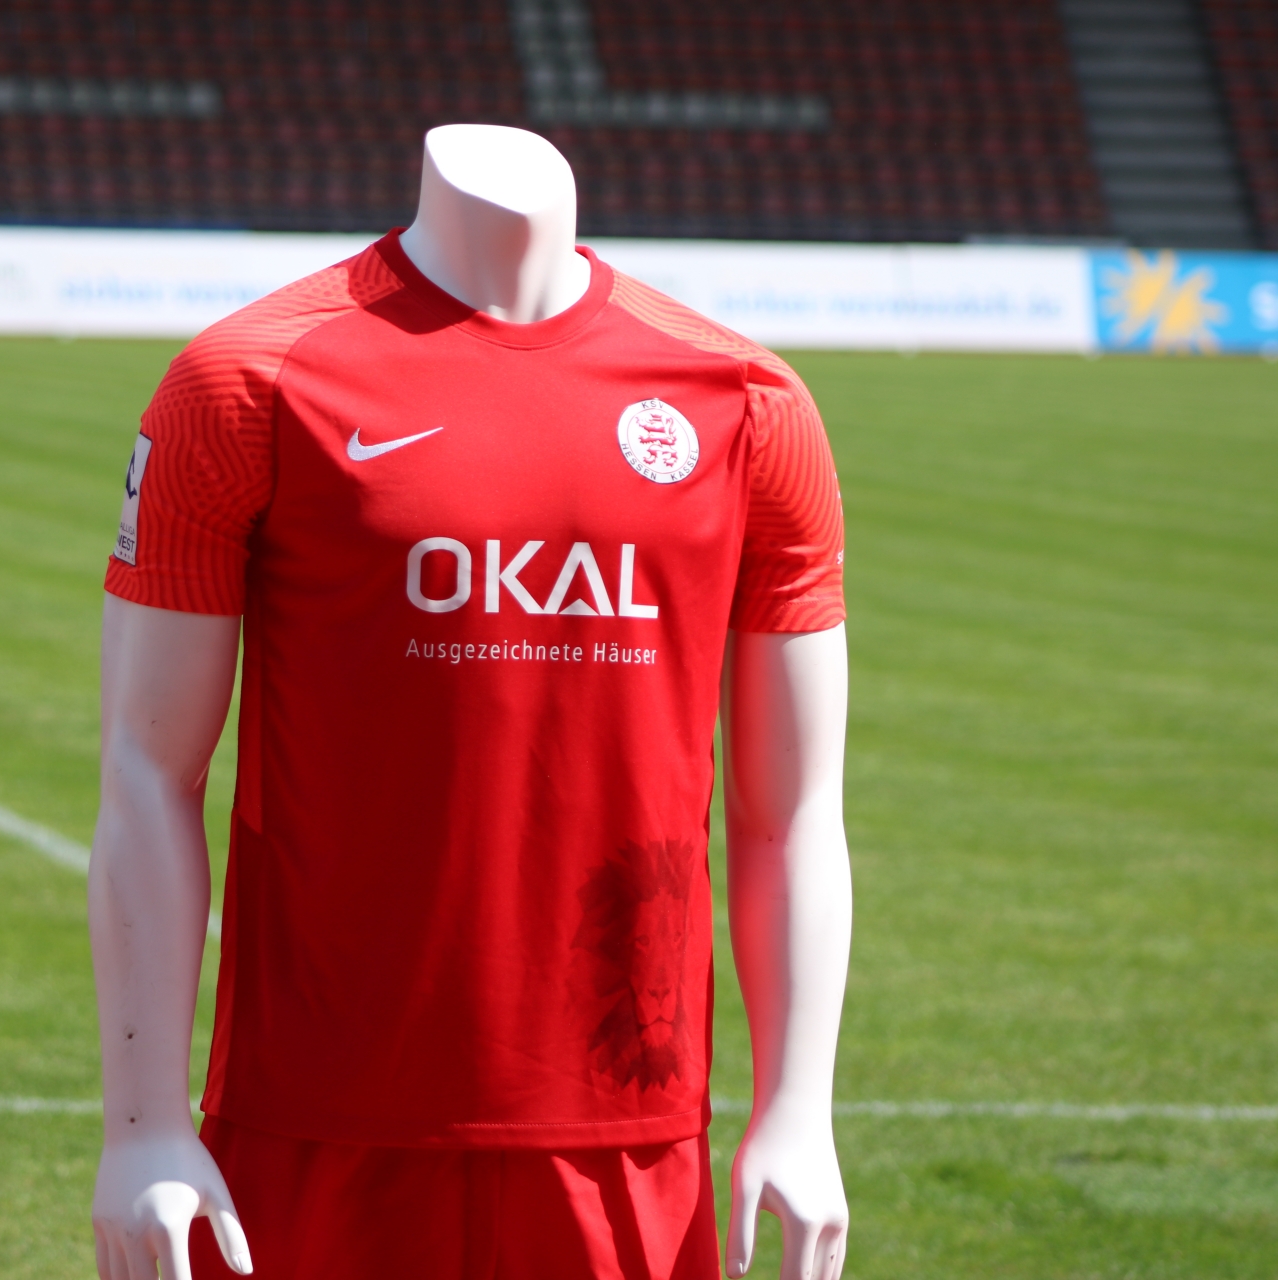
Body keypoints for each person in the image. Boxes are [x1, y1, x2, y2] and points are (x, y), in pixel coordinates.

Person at [89, 123, 853, 1280]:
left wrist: (800, 1107)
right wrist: (142, 1120)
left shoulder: (746, 403)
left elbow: (790, 811)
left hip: (628, 1131)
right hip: (317, 1114)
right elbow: (150, 768)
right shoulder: (248, 382)